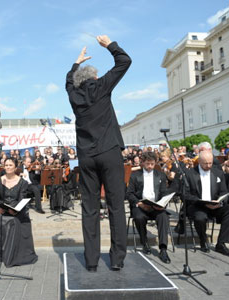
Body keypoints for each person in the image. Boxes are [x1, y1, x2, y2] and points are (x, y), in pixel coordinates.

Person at [66, 34, 131, 272]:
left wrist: (76, 63)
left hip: (86, 156)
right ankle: (117, 259)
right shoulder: (102, 85)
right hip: (110, 151)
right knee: (115, 206)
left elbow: (67, 81)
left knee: (89, 208)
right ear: (94, 77)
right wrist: (110, 46)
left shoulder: (74, 95)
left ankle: (91, 261)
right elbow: (125, 61)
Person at [185, 151, 229, 257]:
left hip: (215, 205)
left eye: (210, 163)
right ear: (199, 161)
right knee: (200, 218)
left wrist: (220, 201)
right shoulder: (190, 173)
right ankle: (203, 240)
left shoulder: (217, 172)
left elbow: (224, 191)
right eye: (205, 163)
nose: (208, 165)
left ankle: (221, 243)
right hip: (198, 206)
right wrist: (202, 203)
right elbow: (185, 195)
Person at [126, 152, 171, 263]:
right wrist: (139, 203)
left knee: (163, 217)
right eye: (147, 164)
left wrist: (162, 203)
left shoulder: (160, 175)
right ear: (142, 163)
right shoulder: (135, 175)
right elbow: (129, 193)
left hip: (156, 206)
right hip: (141, 205)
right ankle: (144, 242)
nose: (150, 166)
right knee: (139, 217)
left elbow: (164, 192)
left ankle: (163, 249)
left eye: (152, 164)